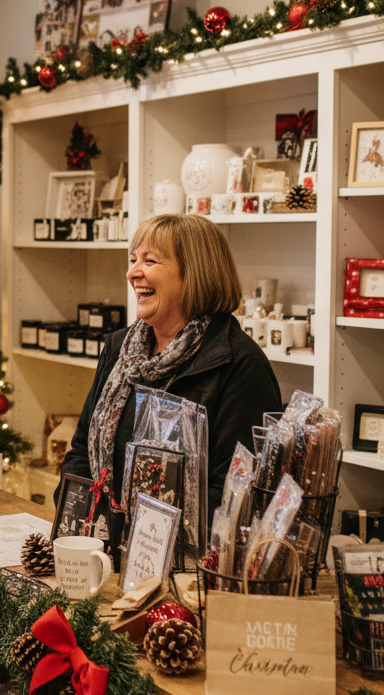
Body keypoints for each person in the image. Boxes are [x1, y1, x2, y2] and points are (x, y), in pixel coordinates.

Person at [60, 214, 281, 516]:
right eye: (133, 259)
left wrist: (144, 538)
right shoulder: (119, 349)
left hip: (183, 558)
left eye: (149, 261)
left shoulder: (240, 364)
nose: (132, 273)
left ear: (195, 274)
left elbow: (235, 493)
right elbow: (82, 451)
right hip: (99, 547)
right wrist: (81, 527)